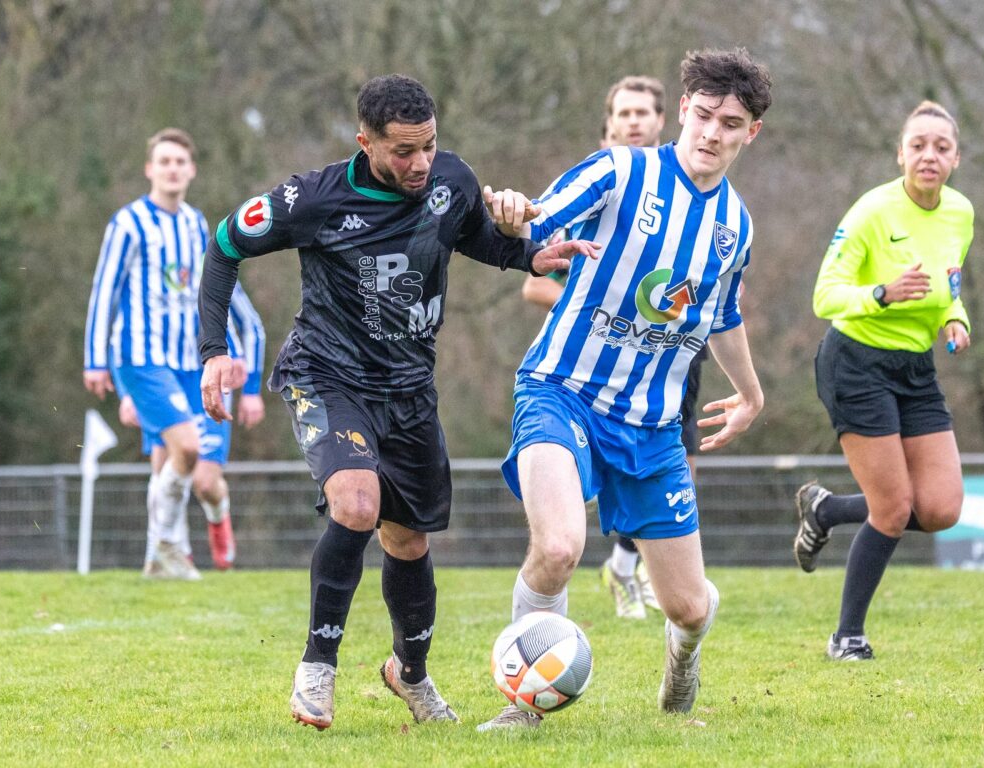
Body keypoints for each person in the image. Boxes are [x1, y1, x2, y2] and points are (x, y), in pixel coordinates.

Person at [196, 74, 598, 731]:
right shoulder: (312, 198)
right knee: (357, 504)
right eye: (403, 151)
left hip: (409, 390)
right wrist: (214, 350)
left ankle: (409, 674)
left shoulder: (454, 180)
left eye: (429, 147)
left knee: (408, 542)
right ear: (366, 144)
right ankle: (317, 669)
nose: (419, 164)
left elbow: (474, 237)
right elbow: (224, 248)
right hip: (327, 375)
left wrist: (530, 256)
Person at [479, 48, 772, 730]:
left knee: (690, 608)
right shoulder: (622, 171)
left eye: (730, 123)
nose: (711, 133)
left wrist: (752, 395)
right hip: (562, 388)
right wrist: (512, 211)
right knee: (558, 547)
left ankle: (682, 660)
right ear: (683, 112)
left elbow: (722, 316)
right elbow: (538, 219)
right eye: (702, 115)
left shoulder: (736, 227)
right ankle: (523, 707)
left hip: (651, 426)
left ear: (750, 132)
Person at [793, 100, 972, 661]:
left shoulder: (961, 213)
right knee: (892, 509)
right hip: (856, 363)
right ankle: (847, 636)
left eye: (941, 147)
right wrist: (882, 293)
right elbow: (825, 295)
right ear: (900, 154)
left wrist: (955, 319)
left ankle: (826, 510)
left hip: (916, 369)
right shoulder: (873, 211)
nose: (929, 155)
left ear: (956, 159)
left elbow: (951, 285)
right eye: (918, 145)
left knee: (941, 509)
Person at [520, 75, 702, 621]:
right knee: (562, 530)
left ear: (664, 121)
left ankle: (642, 571)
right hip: (581, 373)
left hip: (666, 367)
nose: (634, 121)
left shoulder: (711, 210)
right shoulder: (603, 181)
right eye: (623, 113)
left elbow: (716, 297)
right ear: (607, 130)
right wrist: (595, 312)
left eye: (644, 112)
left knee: (680, 468)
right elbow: (533, 274)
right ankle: (616, 570)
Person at [83, 127, 262, 579]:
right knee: (181, 448)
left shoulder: (196, 223)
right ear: (150, 169)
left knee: (176, 462)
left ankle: (159, 558)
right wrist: (95, 359)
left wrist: (231, 353)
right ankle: (166, 546)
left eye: (180, 162)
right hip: (141, 358)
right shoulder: (128, 223)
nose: (172, 169)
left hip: (189, 363)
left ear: (192, 170)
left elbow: (214, 294)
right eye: (164, 161)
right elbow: (104, 291)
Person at [112, 286, 266, 573]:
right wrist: (128, 393)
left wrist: (253, 391)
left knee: (205, 483)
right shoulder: (147, 276)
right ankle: (168, 555)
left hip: (209, 381)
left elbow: (253, 327)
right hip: (165, 377)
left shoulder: (211, 264)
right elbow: (120, 335)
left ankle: (217, 516)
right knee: (163, 471)